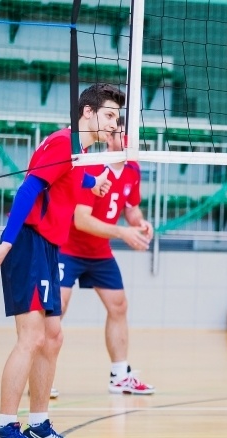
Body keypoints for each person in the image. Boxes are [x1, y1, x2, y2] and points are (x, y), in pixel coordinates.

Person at [0, 83, 124, 438]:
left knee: (52, 337)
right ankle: (4, 431)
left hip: (48, 248)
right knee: (30, 338)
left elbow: (75, 180)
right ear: (88, 112)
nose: (114, 123)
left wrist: (96, 183)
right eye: (109, 114)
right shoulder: (64, 142)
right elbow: (29, 190)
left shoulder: (79, 154)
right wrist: (7, 242)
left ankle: (39, 425)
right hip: (27, 243)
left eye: (117, 117)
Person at [56, 117, 155, 397]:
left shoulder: (133, 169)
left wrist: (140, 224)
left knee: (119, 306)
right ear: (110, 137)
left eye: (130, 136)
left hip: (99, 252)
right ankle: (41, 374)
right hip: (69, 248)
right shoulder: (94, 168)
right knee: (56, 310)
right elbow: (81, 221)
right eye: (122, 135)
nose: (127, 141)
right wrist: (123, 234)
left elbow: (131, 208)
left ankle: (120, 375)